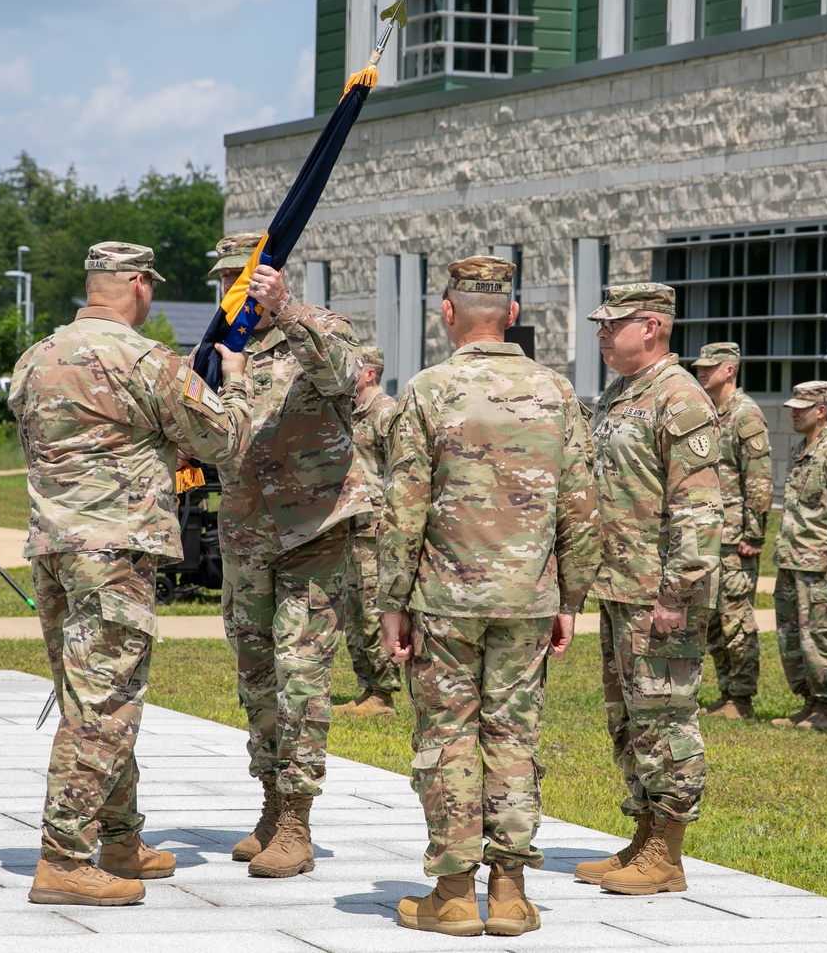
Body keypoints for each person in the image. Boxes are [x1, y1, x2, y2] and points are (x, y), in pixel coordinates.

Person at [9, 241, 250, 906]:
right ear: (141, 286)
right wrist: (239, 379)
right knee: (105, 706)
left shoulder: (37, 357)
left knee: (87, 694)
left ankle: (119, 838)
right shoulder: (144, 360)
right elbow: (222, 438)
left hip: (55, 549)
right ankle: (63, 857)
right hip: (113, 554)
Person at [380, 256, 600, 937]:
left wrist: (392, 599)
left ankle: (452, 894)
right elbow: (582, 506)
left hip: (446, 598)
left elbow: (403, 506)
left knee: (448, 736)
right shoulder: (557, 392)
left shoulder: (427, 391)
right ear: (510, 313)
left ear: (448, 313)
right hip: (528, 597)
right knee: (513, 735)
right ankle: (508, 893)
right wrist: (571, 596)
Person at [206, 233, 371, 878]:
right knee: (257, 673)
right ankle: (272, 802)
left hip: (313, 528)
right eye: (225, 281)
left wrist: (292, 311)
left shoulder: (320, 328)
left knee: (301, 673)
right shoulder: (222, 347)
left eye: (244, 280)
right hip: (246, 529)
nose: (233, 292)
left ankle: (299, 819)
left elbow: (344, 378)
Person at [574, 283, 722, 896]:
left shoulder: (679, 398)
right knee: (630, 718)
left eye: (614, 325)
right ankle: (642, 833)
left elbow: (698, 508)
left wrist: (674, 595)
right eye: (602, 325)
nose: (602, 335)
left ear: (653, 326)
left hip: (661, 595)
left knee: (667, 718)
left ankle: (668, 851)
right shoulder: (621, 393)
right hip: (620, 585)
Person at [771, 381, 827, 731]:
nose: (793, 413)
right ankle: (809, 702)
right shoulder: (800, 449)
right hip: (791, 561)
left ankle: (826, 708)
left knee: (821, 636)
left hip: (820, 567)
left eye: (800, 408)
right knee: (792, 638)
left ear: (821, 411)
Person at [692, 342, 772, 719]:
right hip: (710, 535)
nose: (702, 372)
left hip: (735, 537)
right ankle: (726, 693)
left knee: (736, 619)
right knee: (711, 620)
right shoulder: (710, 411)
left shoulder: (745, 415)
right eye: (700, 367)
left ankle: (742, 698)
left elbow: (759, 480)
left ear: (730, 369)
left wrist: (753, 536)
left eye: (710, 367)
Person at [334, 345, 400, 716]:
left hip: (375, 531)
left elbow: (403, 470)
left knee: (375, 611)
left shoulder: (385, 413)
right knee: (356, 612)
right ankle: (369, 687)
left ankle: (383, 693)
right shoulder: (352, 412)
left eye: (352, 369)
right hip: (352, 528)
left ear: (369, 373)